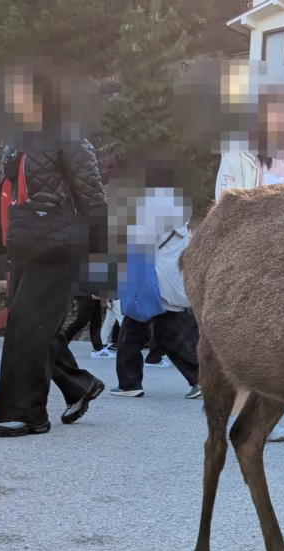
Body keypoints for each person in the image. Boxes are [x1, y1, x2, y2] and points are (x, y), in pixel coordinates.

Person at [0, 65, 107, 437]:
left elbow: (93, 200)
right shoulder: (16, 140)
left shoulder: (69, 138)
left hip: (60, 245)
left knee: (31, 326)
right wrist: (3, 251)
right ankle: (78, 385)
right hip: (25, 243)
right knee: (31, 324)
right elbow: (7, 196)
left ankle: (28, 415)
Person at [213, 88, 284, 442]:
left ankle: (264, 417)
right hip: (252, 262)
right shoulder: (240, 156)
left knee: (279, 345)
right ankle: (240, 416)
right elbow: (226, 206)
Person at [109, 157, 201, 400]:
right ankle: (201, 379)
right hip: (168, 277)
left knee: (132, 329)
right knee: (167, 331)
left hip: (150, 280)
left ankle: (129, 383)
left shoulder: (153, 205)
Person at [63, 292, 105, 356]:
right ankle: (62, 342)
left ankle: (98, 349)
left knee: (96, 320)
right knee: (83, 320)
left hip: (92, 292)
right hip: (87, 292)